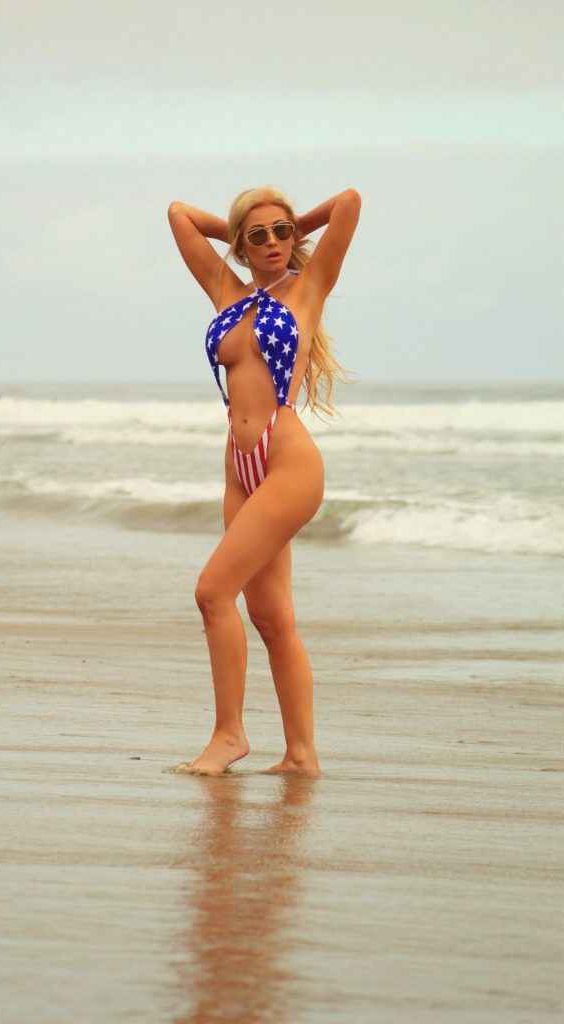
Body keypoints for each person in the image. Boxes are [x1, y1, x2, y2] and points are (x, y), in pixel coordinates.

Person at [167, 184, 361, 776]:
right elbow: (179, 215)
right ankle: (301, 755)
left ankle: (229, 735)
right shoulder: (227, 292)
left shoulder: (308, 288)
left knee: (211, 592)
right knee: (273, 619)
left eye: (282, 232)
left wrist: (295, 226)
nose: (273, 242)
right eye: (259, 235)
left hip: (288, 462)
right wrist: (237, 233)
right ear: (241, 246)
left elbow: (349, 202)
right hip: (239, 469)